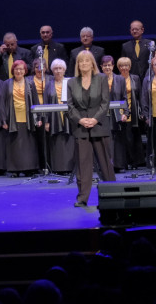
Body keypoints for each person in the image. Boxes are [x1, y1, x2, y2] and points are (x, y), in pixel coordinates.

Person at [66, 50, 116, 207]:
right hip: (81, 128)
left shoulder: (101, 79)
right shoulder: (71, 82)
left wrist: (95, 119)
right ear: (77, 65)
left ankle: (112, 195)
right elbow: (70, 106)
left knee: (105, 165)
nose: (84, 64)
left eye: (87, 61)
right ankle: (82, 198)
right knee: (83, 166)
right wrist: (80, 120)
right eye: (81, 61)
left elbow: (105, 103)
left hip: (99, 126)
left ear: (92, 63)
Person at [2, 60, 41, 177]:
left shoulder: (30, 83)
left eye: (21, 69)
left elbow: (36, 101)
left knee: (29, 145)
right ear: (13, 70)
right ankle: (15, 170)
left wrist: (38, 118)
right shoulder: (6, 83)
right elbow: (2, 104)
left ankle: (29, 168)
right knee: (14, 145)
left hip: (28, 117)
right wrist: (4, 120)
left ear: (25, 71)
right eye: (16, 69)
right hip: (13, 118)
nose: (19, 71)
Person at [44, 59, 74, 174]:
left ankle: (70, 167)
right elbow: (46, 104)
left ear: (64, 70)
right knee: (57, 143)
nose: (58, 71)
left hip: (69, 117)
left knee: (69, 141)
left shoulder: (70, 83)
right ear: (52, 71)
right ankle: (58, 168)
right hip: (54, 118)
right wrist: (46, 121)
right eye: (55, 69)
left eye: (60, 68)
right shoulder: (48, 85)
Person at [101, 55, 129, 172]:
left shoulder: (120, 79)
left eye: (109, 65)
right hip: (103, 115)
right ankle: (106, 165)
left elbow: (124, 98)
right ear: (101, 67)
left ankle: (118, 165)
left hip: (117, 114)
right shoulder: (98, 79)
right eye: (105, 65)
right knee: (105, 140)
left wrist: (126, 113)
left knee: (117, 140)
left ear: (113, 66)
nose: (107, 67)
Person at [116, 56, 145, 169]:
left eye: (126, 65)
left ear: (130, 66)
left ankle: (135, 162)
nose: (124, 68)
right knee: (123, 139)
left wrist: (142, 111)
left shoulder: (135, 78)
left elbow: (140, 95)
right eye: (122, 66)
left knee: (134, 138)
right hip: (120, 111)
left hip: (133, 111)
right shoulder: (116, 79)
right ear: (118, 67)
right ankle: (124, 162)